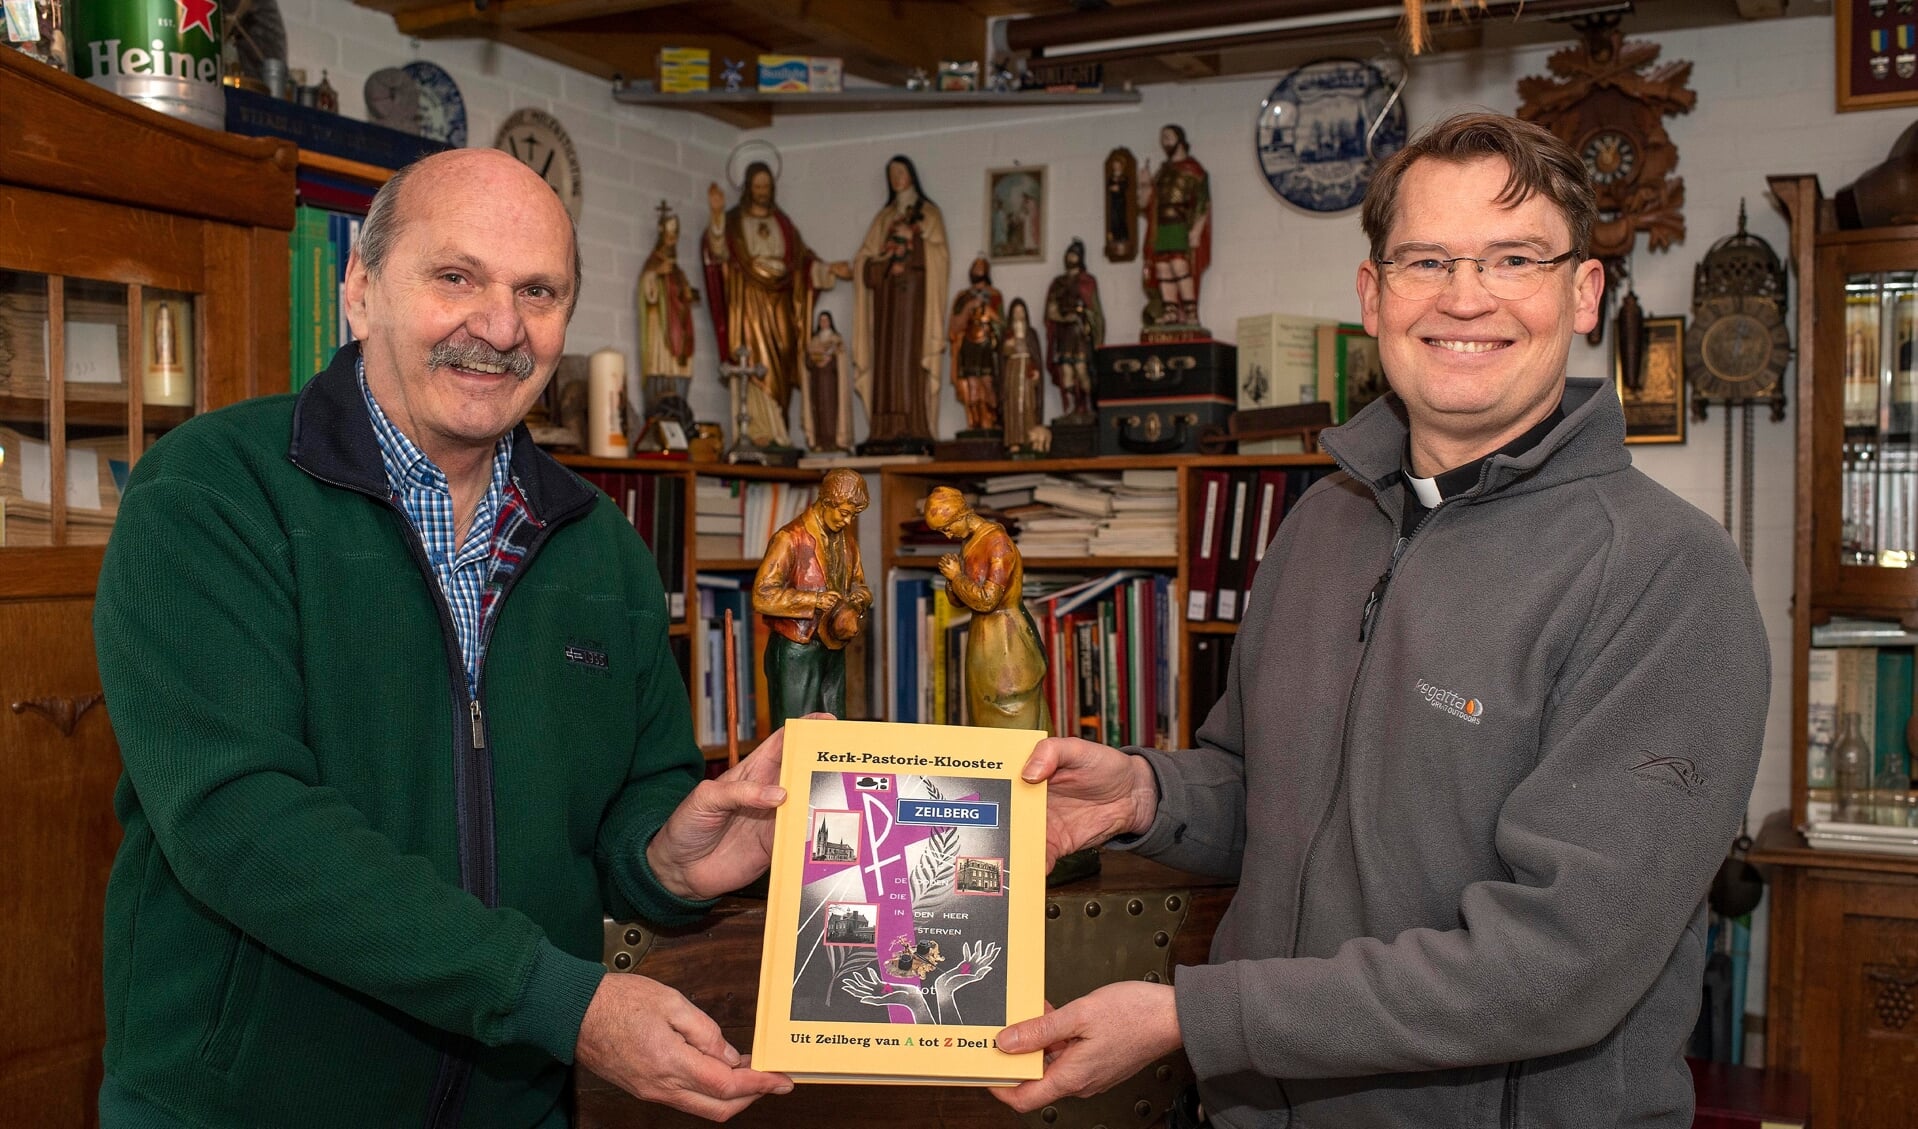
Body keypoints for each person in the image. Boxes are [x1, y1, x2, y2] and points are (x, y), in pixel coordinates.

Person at [994, 112, 1769, 1128]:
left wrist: (1199, 1016)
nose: (1463, 296)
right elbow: (1274, 798)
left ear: (1583, 295)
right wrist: (1143, 792)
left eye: (1514, 258)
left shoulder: (1667, 574)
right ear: (1373, 295)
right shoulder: (1323, 520)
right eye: (1424, 259)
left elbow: (1554, 963)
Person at [92, 148, 795, 1128]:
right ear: (362, 291)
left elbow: (639, 788)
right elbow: (239, 820)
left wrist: (668, 858)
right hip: (247, 1106)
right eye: (456, 277)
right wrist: (557, 997)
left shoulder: (601, 545)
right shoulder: (213, 490)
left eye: (537, 291)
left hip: (517, 1105)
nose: (499, 327)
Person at [704, 162, 852, 449]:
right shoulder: (734, 221)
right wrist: (717, 215)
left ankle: (778, 428)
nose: (762, 192)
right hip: (748, 304)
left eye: (766, 187)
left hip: (780, 301)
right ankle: (757, 430)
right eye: (757, 187)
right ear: (748, 188)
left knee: (781, 359)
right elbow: (718, 252)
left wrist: (829, 270)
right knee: (751, 362)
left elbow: (802, 263)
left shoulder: (783, 224)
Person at [752, 468, 873, 727]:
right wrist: (814, 601)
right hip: (796, 649)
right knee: (796, 734)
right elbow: (762, 596)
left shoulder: (848, 543)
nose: (848, 521)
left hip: (834, 647)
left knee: (833, 731)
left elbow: (860, 585)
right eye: (844, 512)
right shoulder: (789, 539)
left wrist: (857, 600)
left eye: (853, 515)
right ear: (826, 502)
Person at [924, 487, 1049, 732]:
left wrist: (956, 575)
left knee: (1008, 705)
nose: (948, 536)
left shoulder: (997, 544)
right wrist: (953, 580)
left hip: (1006, 639)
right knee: (982, 709)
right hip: (984, 640)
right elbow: (960, 601)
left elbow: (987, 600)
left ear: (962, 516)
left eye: (948, 528)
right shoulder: (970, 542)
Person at [852, 155, 949, 454]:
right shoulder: (882, 219)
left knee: (907, 361)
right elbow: (863, 261)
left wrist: (914, 243)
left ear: (912, 175)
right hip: (885, 303)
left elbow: (940, 256)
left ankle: (912, 425)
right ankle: (883, 428)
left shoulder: (929, 214)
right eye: (892, 173)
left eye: (902, 172)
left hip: (912, 302)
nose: (897, 178)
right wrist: (880, 265)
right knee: (886, 363)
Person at [1139, 124, 1210, 328]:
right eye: (1163, 138)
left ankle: (1190, 312)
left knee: (1179, 265)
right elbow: (1145, 204)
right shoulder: (1163, 172)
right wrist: (1144, 184)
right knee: (1163, 268)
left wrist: (1196, 230)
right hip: (1161, 225)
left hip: (1179, 222)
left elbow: (1203, 202)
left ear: (1180, 139)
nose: (1165, 142)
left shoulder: (1193, 170)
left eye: (1168, 137)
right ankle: (1170, 310)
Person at [1043, 238, 1105, 422]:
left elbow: (1094, 311)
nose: (1071, 257)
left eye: (1074, 254)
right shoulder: (1058, 283)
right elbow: (1051, 311)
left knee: (1081, 369)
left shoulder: (1087, 282)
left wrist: (1084, 319)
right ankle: (1071, 408)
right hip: (1064, 333)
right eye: (1069, 253)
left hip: (1080, 333)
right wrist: (1063, 317)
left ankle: (1087, 406)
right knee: (1066, 372)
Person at [638, 201, 697, 380]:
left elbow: (683, 294)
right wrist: (655, 274)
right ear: (662, 235)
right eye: (669, 235)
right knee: (660, 358)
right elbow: (647, 292)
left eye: (675, 235)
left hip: (677, 323)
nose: (672, 239)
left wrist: (688, 293)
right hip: (660, 322)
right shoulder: (653, 262)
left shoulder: (678, 270)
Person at [948, 256, 1004, 434]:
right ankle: (974, 422)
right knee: (971, 384)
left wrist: (987, 311)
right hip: (969, 345)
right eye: (975, 267)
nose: (978, 270)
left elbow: (1001, 324)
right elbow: (954, 327)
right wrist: (969, 308)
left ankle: (990, 420)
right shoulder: (963, 297)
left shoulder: (994, 296)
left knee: (987, 383)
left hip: (987, 346)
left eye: (981, 267)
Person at [999, 298, 1045, 455]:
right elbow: (1002, 356)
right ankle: (1014, 441)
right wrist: (1009, 345)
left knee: (1028, 406)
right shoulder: (1007, 334)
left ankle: (1029, 440)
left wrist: (1036, 372)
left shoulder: (1031, 333)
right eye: (1016, 311)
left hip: (1027, 372)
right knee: (1012, 407)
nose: (1019, 314)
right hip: (1012, 371)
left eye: (1021, 311)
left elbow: (1036, 356)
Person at [802, 310, 851, 454]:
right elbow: (808, 362)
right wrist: (813, 359)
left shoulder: (836, 340)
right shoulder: (814, 341)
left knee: (831, 412)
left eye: (826, 320)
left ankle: (834, 440)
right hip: (817, 383)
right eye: (821, 320)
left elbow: (841, 361)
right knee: (819, 411)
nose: (823, 323)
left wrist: (832, 360)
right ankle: (820, 441)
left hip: (831, 383)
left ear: (830, 322)